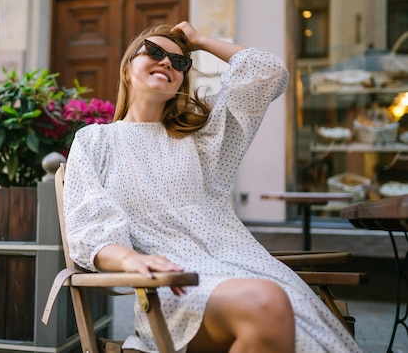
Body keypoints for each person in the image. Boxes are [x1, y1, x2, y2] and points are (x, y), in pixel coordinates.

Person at [62, 21, 362, 353]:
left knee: (276, 305)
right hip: (174, 286)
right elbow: (90, 230)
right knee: (267, 303)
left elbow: (268, 72)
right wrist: (132, 260)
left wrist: (200, 41)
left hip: (241, 269)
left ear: (182, 82)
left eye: (179, 62)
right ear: (127, 68)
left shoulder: (201, 143)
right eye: (156, 51)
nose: (166, 63)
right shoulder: (95, 141)